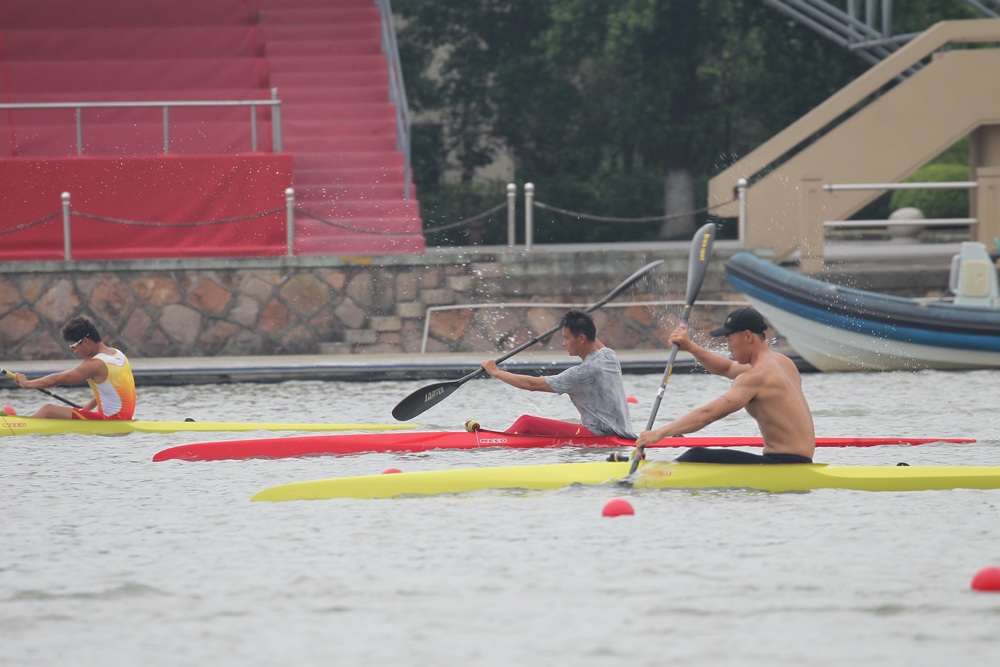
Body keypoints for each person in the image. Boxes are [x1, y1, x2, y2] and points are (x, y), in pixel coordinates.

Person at [636, 306, 815, 463]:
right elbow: (726, 367)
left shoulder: (756, 377)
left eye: (729, 339)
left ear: (747, 336)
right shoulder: (782, 363)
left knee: (696, 456)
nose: (728, 346)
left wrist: (659, 433)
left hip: (784, 464)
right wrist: (690, 347)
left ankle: (654, 475)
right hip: (798, 459)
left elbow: (708, 414)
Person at [481, 310, 637, 439]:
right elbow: (591, 336)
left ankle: (494, 441)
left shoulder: (581, 373)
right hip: (623, 433)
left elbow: (532, 385)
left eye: (566, 338)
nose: (564, 343)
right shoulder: (609, 356)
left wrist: (496, 372)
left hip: (597, 435)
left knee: (527, 422)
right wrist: (573, 321)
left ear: (581, 338)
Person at [14, 316, 136, 420]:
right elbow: (109, 389)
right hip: (124, 418)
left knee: (48, 410)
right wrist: (88, 405)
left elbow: (58, 379)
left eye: (74, 346)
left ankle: (18, 428)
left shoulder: (95, 364)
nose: (74, 351)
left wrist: (28, 383)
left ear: (86, 341)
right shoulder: (118, 354)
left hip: (109, 421)